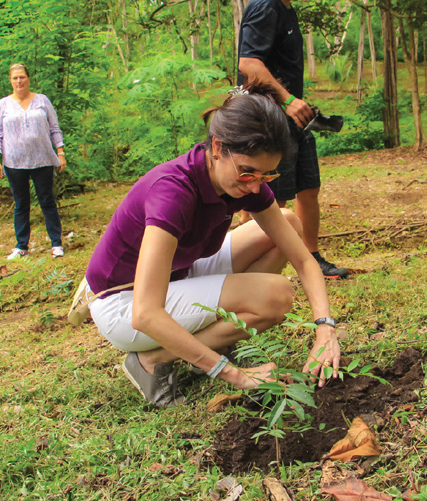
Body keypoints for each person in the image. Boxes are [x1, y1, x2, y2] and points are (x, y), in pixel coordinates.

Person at [83, 82, 341, 408]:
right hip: (123, 302)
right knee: (277, 297)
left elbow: (304, 260)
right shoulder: (173, 192)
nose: (254, 186)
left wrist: (325, 331)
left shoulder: (245, 180)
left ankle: (211, 337)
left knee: (287, 222)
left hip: (179, 273)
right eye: (247, 172)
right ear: (217, 147)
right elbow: (145, 314)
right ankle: (154, 360)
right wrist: (236, 375)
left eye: (266, 175)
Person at [237, 0, 349, 277]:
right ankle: (251, 270)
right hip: (271, 115)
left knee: (308, 187)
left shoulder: (286, 9)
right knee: (273, 197)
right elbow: (249, 63)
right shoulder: (266, 6)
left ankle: (311, 259)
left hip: (294, 116)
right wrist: (287, 100)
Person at [0, 63, 67, 259]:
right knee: (21, 203)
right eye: (15, 78)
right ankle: (21, 245)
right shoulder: (3, 104)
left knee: (46, 200)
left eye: (22, 77)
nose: (19, 81)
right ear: (10, 81)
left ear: (29, 78)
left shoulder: (42, 101)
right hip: (14, 162)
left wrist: (60, 152)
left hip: (42, 159)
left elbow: (54, 128)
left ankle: (56, 243)